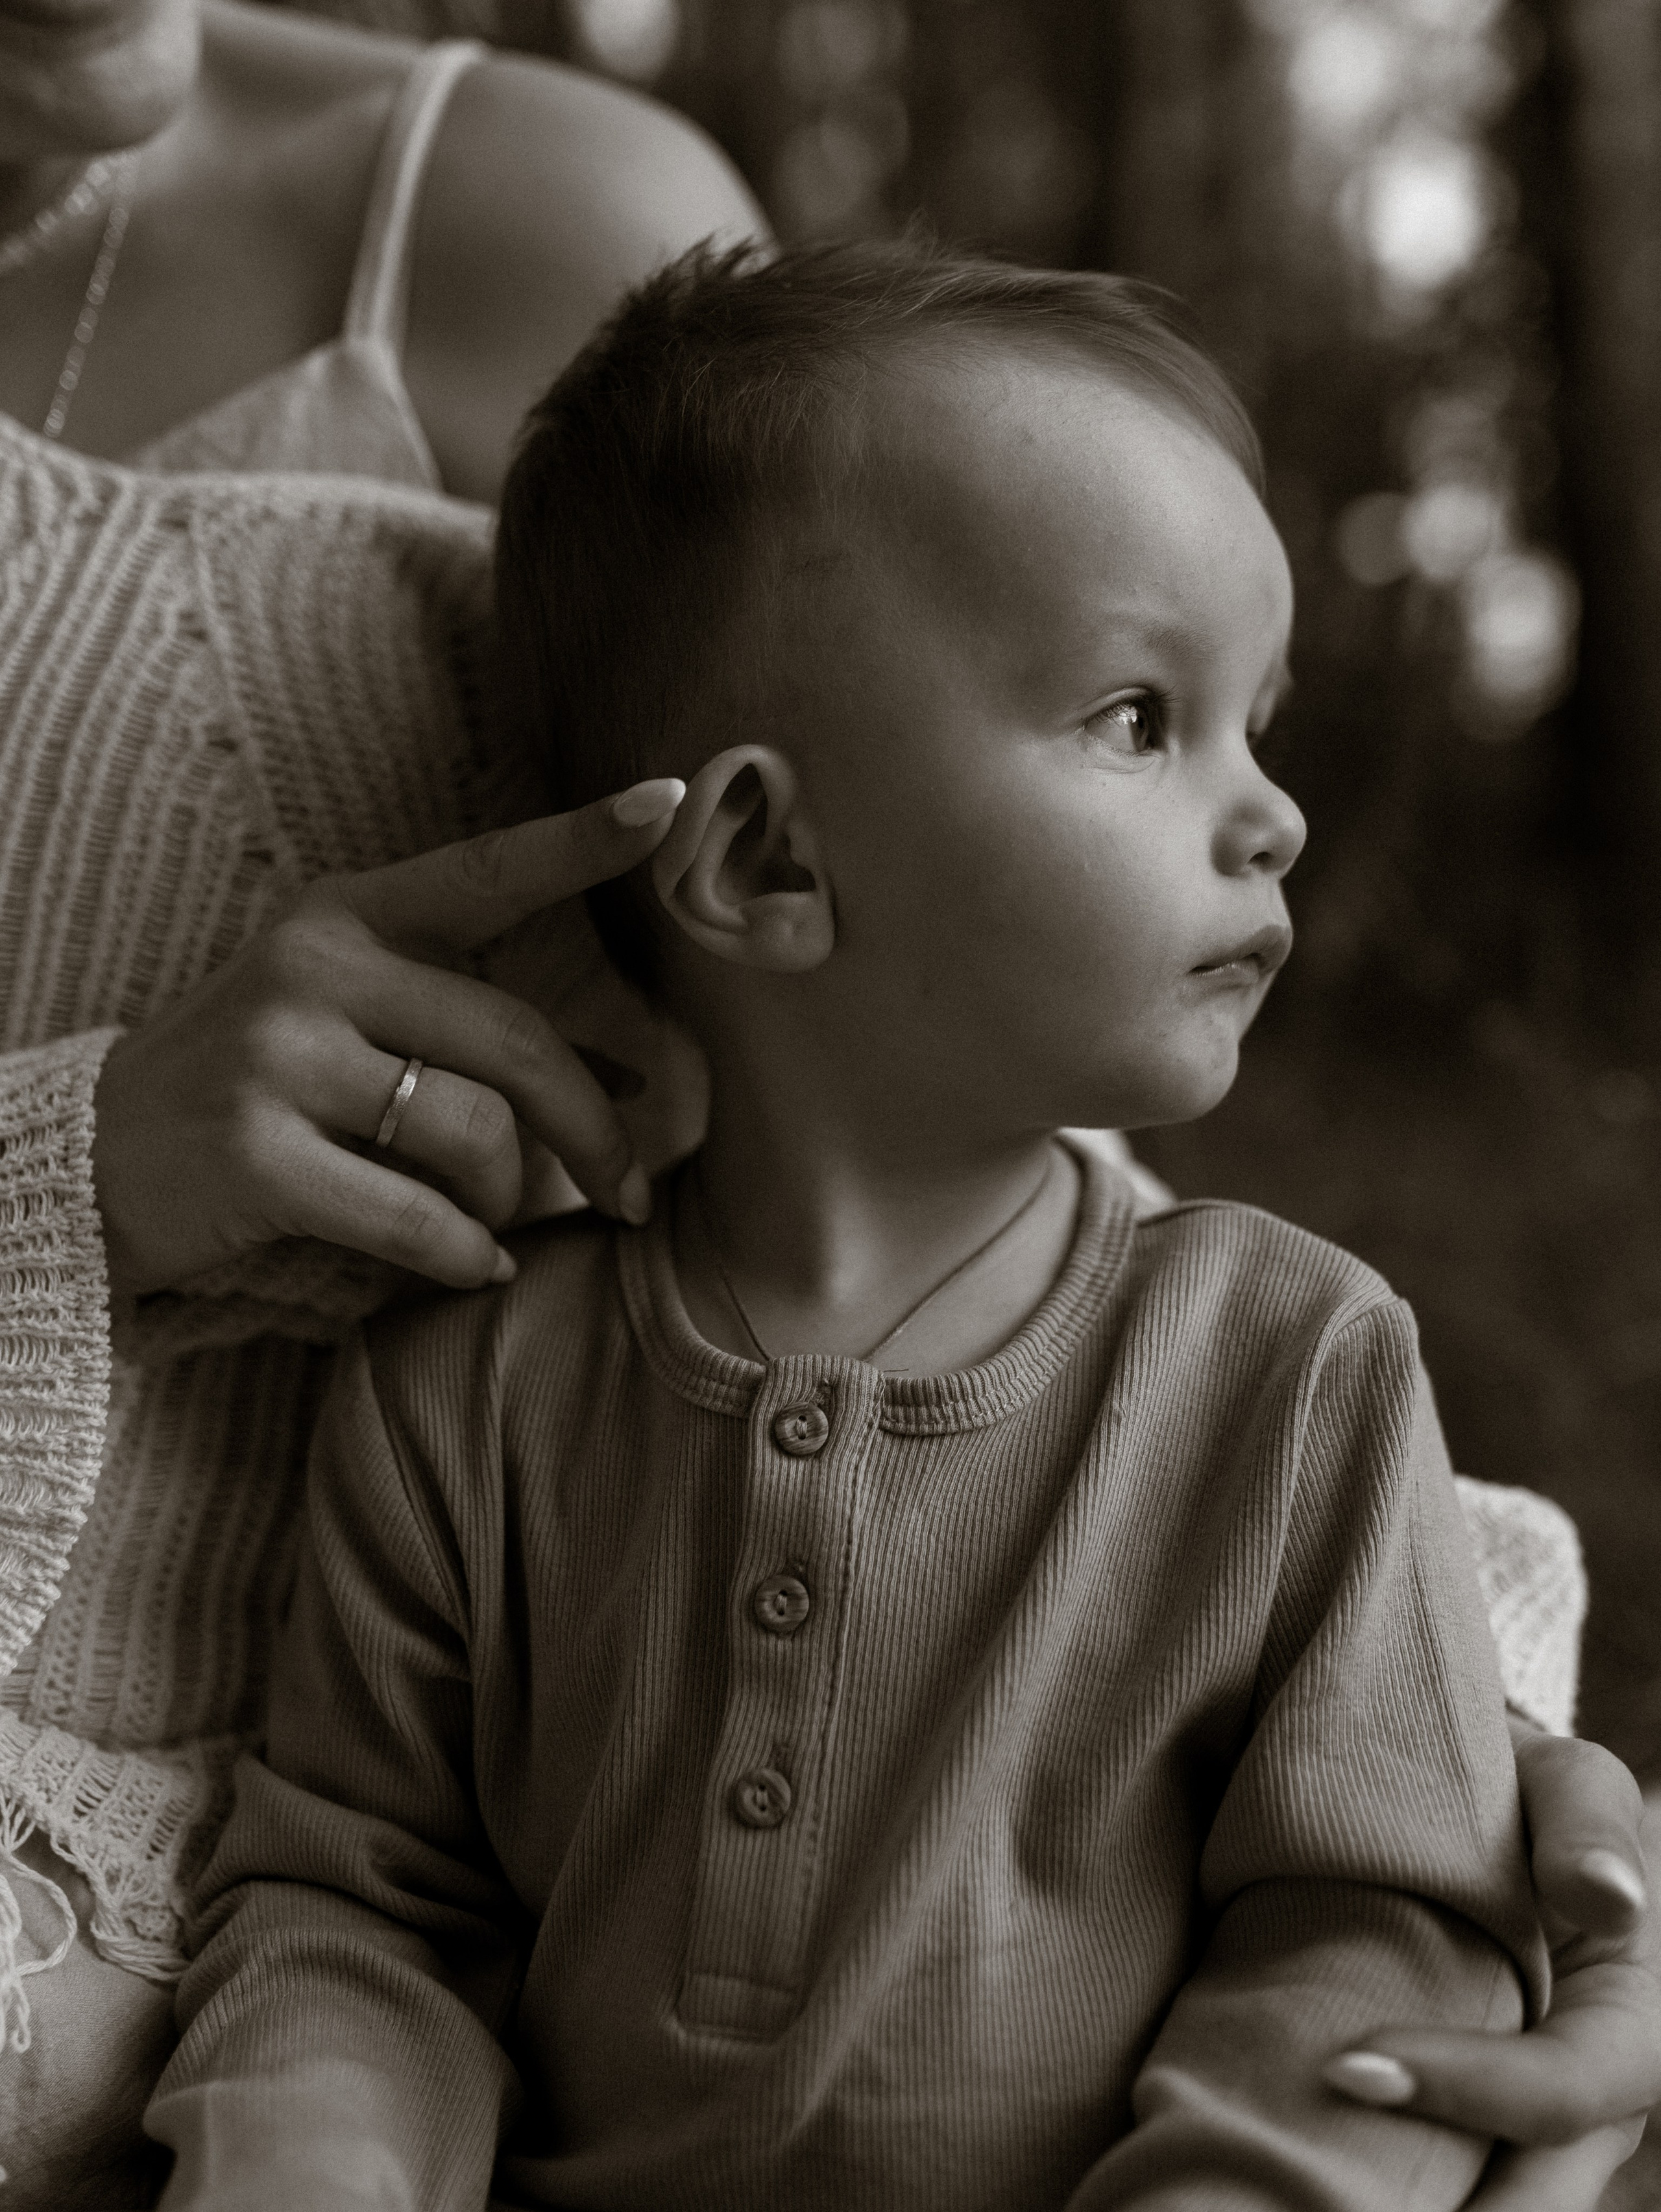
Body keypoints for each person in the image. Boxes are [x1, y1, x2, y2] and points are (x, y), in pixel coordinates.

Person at [0, 2, 1654, 2202]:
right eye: (1142, 716)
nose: (1273, 817)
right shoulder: (468, 1394)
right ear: (766, 859)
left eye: (1259, 723)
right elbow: (367, 1914)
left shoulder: (1296, 1366)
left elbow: (1360, 1929)